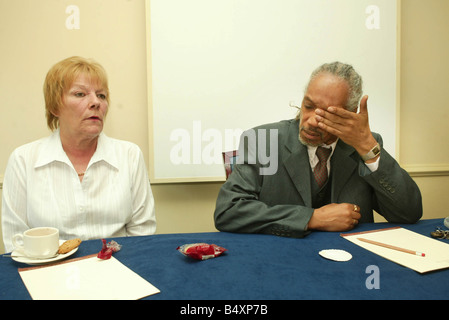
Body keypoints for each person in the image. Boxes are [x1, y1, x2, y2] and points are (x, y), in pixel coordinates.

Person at [214, 61, 422, 238]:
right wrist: (312, 218)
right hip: (280, 261)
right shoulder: (262, 141)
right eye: (309, 106)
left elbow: (409, 214)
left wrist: (367, 147)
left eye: (327, 113)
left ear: (349, 114)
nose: (313, 121)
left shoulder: (365, 145)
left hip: (351, 266)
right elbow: (228, 212)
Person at [2, 56, 156, 252]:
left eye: (101, 95)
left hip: (118, 268)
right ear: (54, 106)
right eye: (80, 94)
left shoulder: (129, 155)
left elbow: (143, 234)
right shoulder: (23, 160)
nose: (95, 103)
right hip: (48, 273)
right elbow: (16, 242)